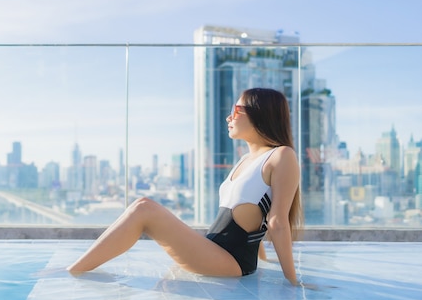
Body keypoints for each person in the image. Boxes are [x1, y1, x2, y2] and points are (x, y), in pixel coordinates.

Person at [67, 88, 303, 286]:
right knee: (142, 205)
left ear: (261, 114)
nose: (229, 117)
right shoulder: (246, 159)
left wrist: (293, 283)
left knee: (144, 209)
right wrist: (263, 261)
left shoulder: (282, 156)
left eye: (237, 110)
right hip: (216, 250)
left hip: (230, 261)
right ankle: (76, 268)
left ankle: (72, 271)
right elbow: (253, 216)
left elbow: (276, 221)